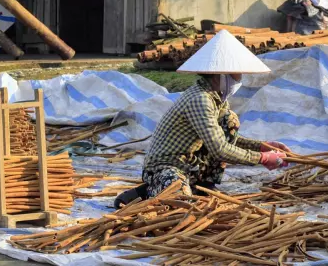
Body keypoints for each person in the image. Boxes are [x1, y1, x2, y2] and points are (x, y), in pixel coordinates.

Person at [114, 30, 289, 207]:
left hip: (191, 165)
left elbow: (226, 140)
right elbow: (219, 149)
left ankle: (204, 184)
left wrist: (263, 146)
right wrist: (262, 158)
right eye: (237, 74)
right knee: (180, 202)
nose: (240, 79)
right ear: (221, 75)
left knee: (229, 120)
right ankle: (147, 191)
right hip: (166, 166)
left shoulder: (218, 99)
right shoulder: (200, 100)